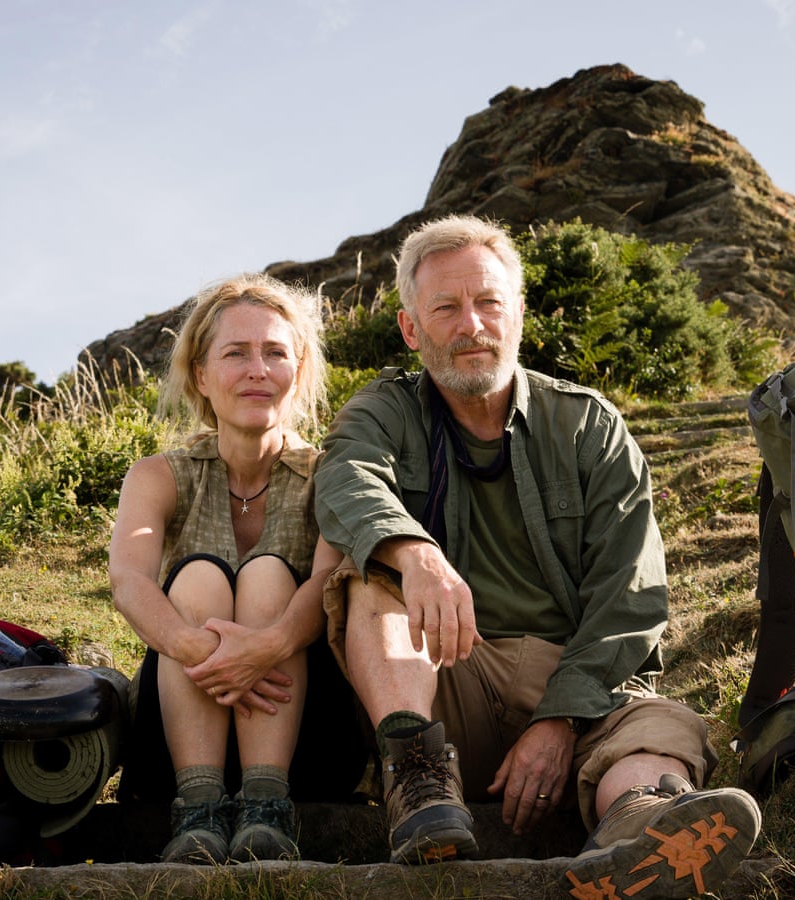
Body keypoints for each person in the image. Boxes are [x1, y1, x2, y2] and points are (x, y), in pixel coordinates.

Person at [313, 215, 761, 897]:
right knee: (369, 577)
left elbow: (629, 596)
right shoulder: (384, 411)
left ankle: (636, 829)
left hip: (575, 688)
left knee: (656, 729)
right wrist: (418, 556)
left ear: (518, 312)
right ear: (411, 329)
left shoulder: (587, 424)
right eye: (446, 308)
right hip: (441, 681)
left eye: (489, 302)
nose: (472, 324)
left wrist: (558, 718)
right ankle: (418, 784)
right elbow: (345, 481)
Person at [110, 272, 357, 865]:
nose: (257, 369)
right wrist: (202, 650)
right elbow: (130, 581)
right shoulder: (159, 475)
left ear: (297, 370)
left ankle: (267, 807)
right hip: (179, 738)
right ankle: (197, 810)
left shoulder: (330, 475)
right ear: (201, 374)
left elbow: (325, 582)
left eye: (275, 352)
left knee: (271, 577)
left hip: (305, 741)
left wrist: (265, 647)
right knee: (197, 578)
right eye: (236, 353)